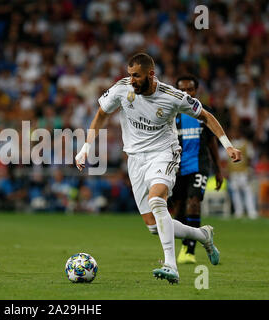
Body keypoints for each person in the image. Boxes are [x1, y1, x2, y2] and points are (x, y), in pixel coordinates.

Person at [75, 53, 241, 284]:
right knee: (154, 227)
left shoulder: (172, 96)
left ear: (151, 74)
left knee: (157, 200)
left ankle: (171, 265)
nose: (131, 80)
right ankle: (203, 235)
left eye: (137, 76)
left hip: (164, 154)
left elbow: (206, 116)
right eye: (130, 74)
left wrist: (228, 146)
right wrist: (85, 148)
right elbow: (102, 114)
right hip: (135, 159)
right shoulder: (122, 89)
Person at [170, 74, 224, 264]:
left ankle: (189, 250)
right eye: (182, 90)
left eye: (190, 89)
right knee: (178, 208)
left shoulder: (204, 112)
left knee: (193, 202)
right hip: (176, 167)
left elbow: (212, 143)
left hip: (199, 165)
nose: (186, 93)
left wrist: (218, 169)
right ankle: (187, 243)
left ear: (196, 91)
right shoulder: (171, 112)